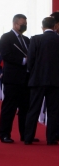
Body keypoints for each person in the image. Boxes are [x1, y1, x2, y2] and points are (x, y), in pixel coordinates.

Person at [24, 16, 59, 145]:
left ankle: (28, 137)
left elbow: (30, 60)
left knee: (33, 108)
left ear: (42, 27)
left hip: (37, 79)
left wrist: (33, 72)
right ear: (55, 26)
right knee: (53, 111)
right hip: (55, 81)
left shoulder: (36, 39)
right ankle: (51, 138)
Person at [0, 15, 31, 143]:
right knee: (9, 107)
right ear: (15, 23)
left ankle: (25, 134)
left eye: (25, 23)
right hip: (12, 78)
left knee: (25, 108)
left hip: (26, 78)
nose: (24, 26)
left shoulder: (26, 39)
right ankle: (5, 134)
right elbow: (6, 55)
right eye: (22, 23)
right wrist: (24, 60)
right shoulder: (6, 38)